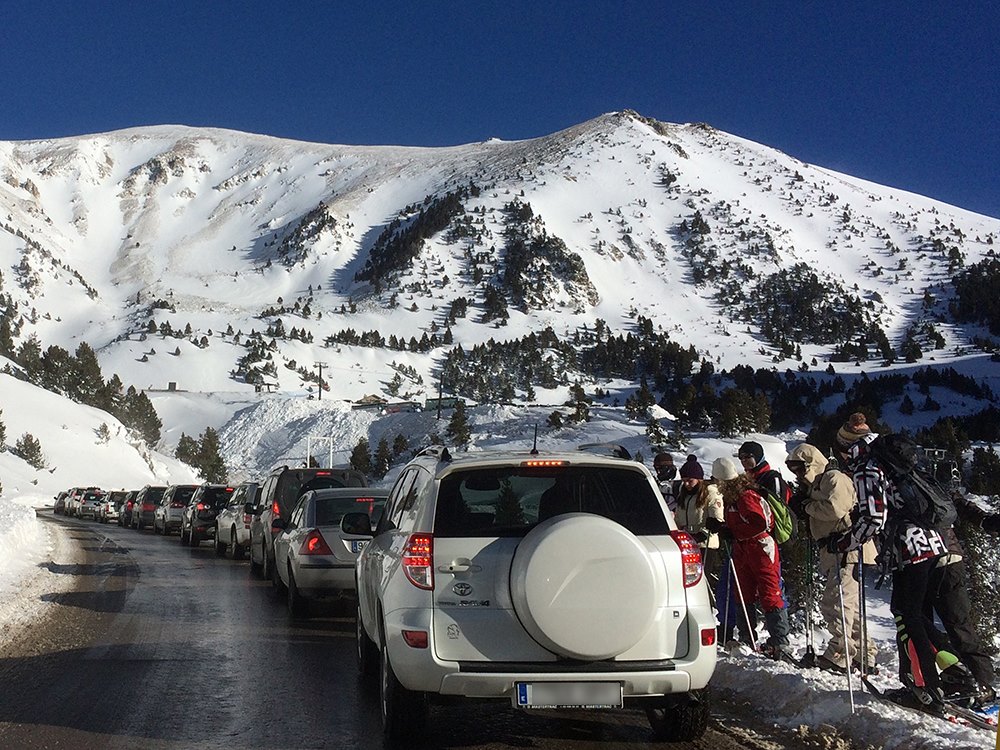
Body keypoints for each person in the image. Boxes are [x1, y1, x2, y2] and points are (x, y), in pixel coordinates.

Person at [827, 413, 951, 707]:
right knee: (918, 615)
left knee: (906, 614)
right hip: (933, 540)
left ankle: (925, 687)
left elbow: (874, 517)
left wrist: (845, 542)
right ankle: (953, 672)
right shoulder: (892, 458)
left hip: (909, 547)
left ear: (847, 446)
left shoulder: (867, 466)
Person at [786, 443, 877, 674]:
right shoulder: (816, 485)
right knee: (849, 606)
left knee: (836, 601)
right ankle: (864, 653)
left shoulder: (833, 478)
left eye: (800, 468)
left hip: (846, 546)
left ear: (811, 463)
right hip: (835, 549)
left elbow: (835, 509)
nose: (798, 474)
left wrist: (806, 506)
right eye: (794, 470)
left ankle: (840, 652)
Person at [711, 455, 791, 661]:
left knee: (769, 591)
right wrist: (725, 529)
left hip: (760, 547)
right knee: (742, 592)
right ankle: (748, 637)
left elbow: (759, 523)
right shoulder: (735, 498)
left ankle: (780, 640)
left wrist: (734, 532)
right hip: (744, 548)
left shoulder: (746, 496)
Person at [673, 455, 724, 578]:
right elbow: (679, 518)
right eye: (684, 480)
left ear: (698, 479)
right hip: (687, 543)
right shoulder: (684, 495)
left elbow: (717, 519)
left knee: (700, 577)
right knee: (688, 577)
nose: (686, 484)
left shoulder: (710, 492)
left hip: (705, 544)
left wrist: (702, 535)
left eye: (690, 480)